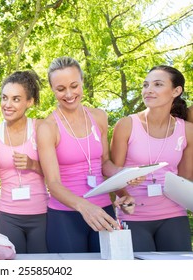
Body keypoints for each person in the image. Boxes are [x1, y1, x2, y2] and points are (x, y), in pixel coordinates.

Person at [36, 56, 135, 253]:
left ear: (82, 81)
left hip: (103, 211)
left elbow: (104, 163)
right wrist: (84, 207)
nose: (69, 94)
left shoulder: (99, 116)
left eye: (74, 85)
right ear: (52, 89)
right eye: (61, 89)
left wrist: (123, 174)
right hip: (65, 216)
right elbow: (53, 184)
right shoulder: (47, 127)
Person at [111, 65, 193, 252]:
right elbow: (113, 174)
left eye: (157, 84)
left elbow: (186, 178)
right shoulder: (126, 125)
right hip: (134, 216)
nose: (148, 90)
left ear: (176, 91)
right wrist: (124, 196)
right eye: (145, 85)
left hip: (174, 215)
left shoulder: (187, 130)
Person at [0, 70, 49, 253]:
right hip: (8, 216)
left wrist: (32, 164)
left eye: (16, 99)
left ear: (29, 102)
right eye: (4, 98)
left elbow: (56, 174)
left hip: (41, 214)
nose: (7, 105)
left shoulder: (40, 127)